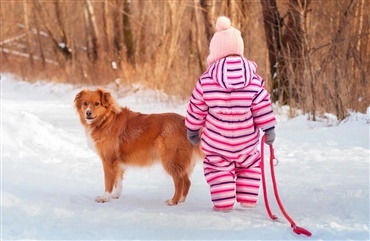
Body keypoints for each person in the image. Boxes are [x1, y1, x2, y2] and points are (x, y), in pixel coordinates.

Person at [185, 16, 277, 212]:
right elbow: (262, 105)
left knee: (218, 168)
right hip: (246, 141)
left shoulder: (207, 80)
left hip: (217, 143)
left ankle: (224, 202)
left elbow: (197, 106)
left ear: (215, 51)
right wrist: (268, 128)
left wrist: (192, 129)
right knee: (249, 164)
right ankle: (247, 198)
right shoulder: (253, 79)